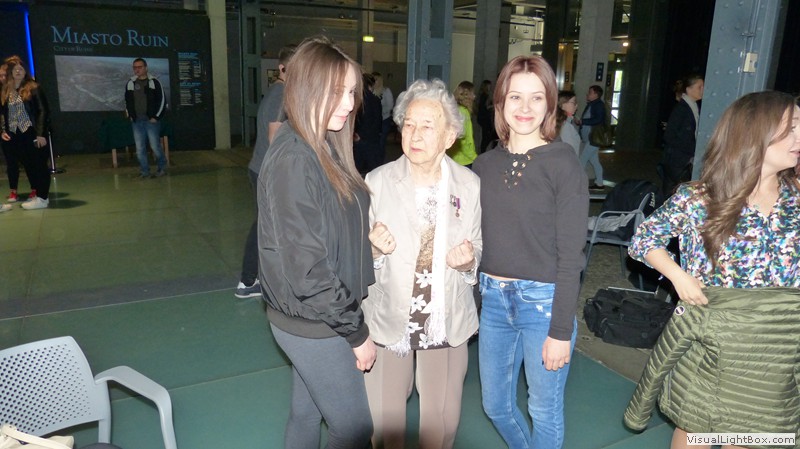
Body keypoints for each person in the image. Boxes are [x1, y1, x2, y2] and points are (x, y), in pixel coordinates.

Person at [624, 90, 800, 449]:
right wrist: (678, 276)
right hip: (712, 345)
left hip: (773, 351)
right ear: (755, 133)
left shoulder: (795, 199)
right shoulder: (700, 197)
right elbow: (644, 239)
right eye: (792, 127)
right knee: (698, 428)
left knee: (747, 434)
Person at [256, 36, 376, 449]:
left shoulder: (323, 144)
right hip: (316, 321)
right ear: (308, 89)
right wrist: (357, 334)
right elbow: (309, 272)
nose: (348, 103)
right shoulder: (295, 159)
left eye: (351, 92)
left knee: (306, 414)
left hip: (318, 314)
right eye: (336, 92)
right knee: (354, 428)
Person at [472, 55, 589, 449]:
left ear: (550, 104)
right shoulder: (483, 166)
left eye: (536, 97)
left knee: (544, 410)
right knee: (495, 405)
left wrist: (560, 331)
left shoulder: (563, 163)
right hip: (493, 302)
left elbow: (572, 256)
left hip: (543, 304)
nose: (525, 108)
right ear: (500, 102)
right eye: (515, 97)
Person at [362, 78, 482, 449]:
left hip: (445, 318)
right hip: (390, 315)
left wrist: (468, 262)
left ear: (449, 136)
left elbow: (476, 245)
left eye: (427, 126)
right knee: (386, 425)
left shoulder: (468, 184)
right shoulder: (377, 182)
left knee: (440, 425)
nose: (414, 134)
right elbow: (357, 257)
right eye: (409, 125)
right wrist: (374, 251)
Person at [235, 43, 296, 299]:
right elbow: (274, 138)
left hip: (262, 169)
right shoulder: (280, 95)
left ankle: (258, 278)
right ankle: (248, 281)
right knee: (266, 226)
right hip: (267, 171)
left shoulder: (278, 93)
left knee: (268, 224)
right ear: (282, 69)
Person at [0, 58, 51, 210]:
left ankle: (42, 198)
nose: (18, 71)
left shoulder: (33, 87)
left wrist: (40, 133)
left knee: (39, 165)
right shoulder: (7, 90)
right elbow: (3, 113)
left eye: (21, 69)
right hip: (16, 135)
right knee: (29, 165)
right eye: (15, 69)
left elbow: (43, 111)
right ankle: (37, 195)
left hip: (32, 132)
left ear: (25, 71)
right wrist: (3, 130)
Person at [661, 74, 704, 197]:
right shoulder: (682, 109)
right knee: (674, 193)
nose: (702, 90)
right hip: (678, 160)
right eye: (699, 87)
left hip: (680, 159)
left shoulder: (692, 106)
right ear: (689, 89)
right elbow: (669, 136)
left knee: (672, 193)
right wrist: (692, 149)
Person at [124, 57, 167, 178]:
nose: (137, 69)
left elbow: (162, 101)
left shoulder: (154, 82)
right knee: (140, 149)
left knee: (155, 147)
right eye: (135, 67)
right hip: (137, 121)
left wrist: (156, 117)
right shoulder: (130, 83)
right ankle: (145, 172)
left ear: (146, 68)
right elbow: (127, 101)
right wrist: (130, 115)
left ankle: (162, 168)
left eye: (139, 67)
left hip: (151, 121)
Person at [576, 84, 606, 191]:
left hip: (593, 138)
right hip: (591, 138)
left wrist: (583, 121)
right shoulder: (593, 104)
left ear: (596, 94)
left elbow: (598, 119)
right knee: (594, 161)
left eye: (590, 92)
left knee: (582, 160)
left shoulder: (598, 105)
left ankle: (578, 184)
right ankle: (599, 183)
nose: (587, 94)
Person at [354, 72, 384, 174]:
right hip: (371, 140)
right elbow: (377, 121)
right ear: (371, 85)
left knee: (357, 169)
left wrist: (356, 134)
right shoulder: (375, 100)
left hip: (357, 138)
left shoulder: (356, 100)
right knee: (374, 170)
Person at [447, 81, 478, 167]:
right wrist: (475, 157)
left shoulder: (454, 109)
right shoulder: (464, 112)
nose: (474, 96)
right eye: (473, 93)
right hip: (464, 161)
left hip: (452, 158)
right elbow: (464, 140)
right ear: (466, 95)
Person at [373, 72, 394, 155]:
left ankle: (380, 159)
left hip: (384, 120)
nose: (374, 81)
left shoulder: (386, 91)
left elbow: (390, 106)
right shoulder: (371, 91)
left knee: (381, 142)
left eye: (376, 79)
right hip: (374, 120)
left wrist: (379, 111)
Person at [556, 90, 580, 156]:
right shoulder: (566, 126)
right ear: (562, 104)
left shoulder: (563, 122)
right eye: (573, 102)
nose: (576, 106)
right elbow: (569, 152)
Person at [477, 79, 498, 152]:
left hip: (483, 118)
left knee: (486, 137)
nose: (490, 87)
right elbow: (486, 107)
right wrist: (493, 106)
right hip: (485, 118)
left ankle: (483, 151)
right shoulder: (485, 95)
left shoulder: (482, 95)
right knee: (487, 137)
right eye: (489, 86)